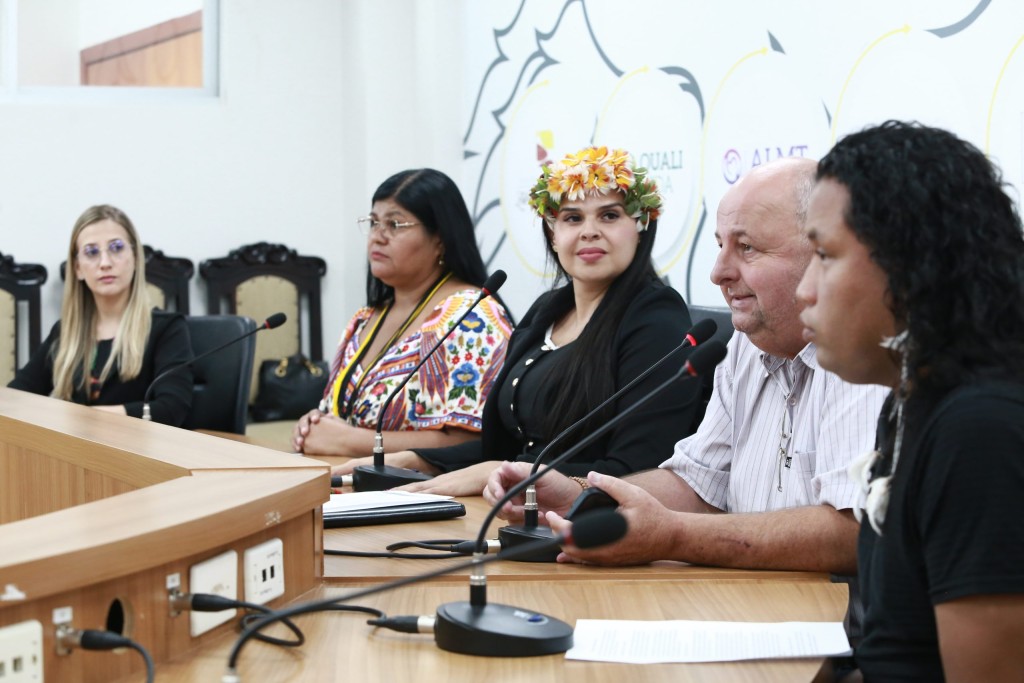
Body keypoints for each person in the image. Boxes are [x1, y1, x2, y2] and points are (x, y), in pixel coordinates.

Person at [485, 157, 887, 574]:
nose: (718, 273)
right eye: (720, 246)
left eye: (746, 248)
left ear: (821, 251)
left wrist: (675, 536)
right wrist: (578, 494)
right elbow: (696, 482)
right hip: (740, 597)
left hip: (828, 607)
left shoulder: (862, 354)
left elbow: (853, 532)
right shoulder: (746, 345)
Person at [334, 146, 700, 495]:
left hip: (586, 520)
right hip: (511, 503)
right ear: (553, 235)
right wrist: (418, 460)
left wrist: (505, 472)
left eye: (609, 216)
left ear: (641, 227)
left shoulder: (657, 320)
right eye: (572, 218)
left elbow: (637, 470)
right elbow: (504, 449)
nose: (589, 230)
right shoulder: (548, 310)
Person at [796, 121, 1024, 680]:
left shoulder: (980, 429)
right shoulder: (914, 396)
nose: (805, 289)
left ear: (911, 263)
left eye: (824, 255)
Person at [292, 168, 513, 457]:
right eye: (374, 222)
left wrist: (349, 441)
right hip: (340, 477)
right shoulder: (364, 319)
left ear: (440, 239)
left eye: (395, 224)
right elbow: (341, 415)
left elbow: (470, 443)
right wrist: (314, 424)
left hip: (424, 485)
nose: (377, 236)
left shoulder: (471, 316)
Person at [9, 205, 193, 425]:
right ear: (78, 268)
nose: (105, 263)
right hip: (73, 445)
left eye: (116, 248)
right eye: (91, 252)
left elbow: (171, 409)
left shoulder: (167, 328)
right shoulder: (64, 332)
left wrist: (83, 419)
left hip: (137, 445)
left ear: (136, 258)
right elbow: (16, 398)